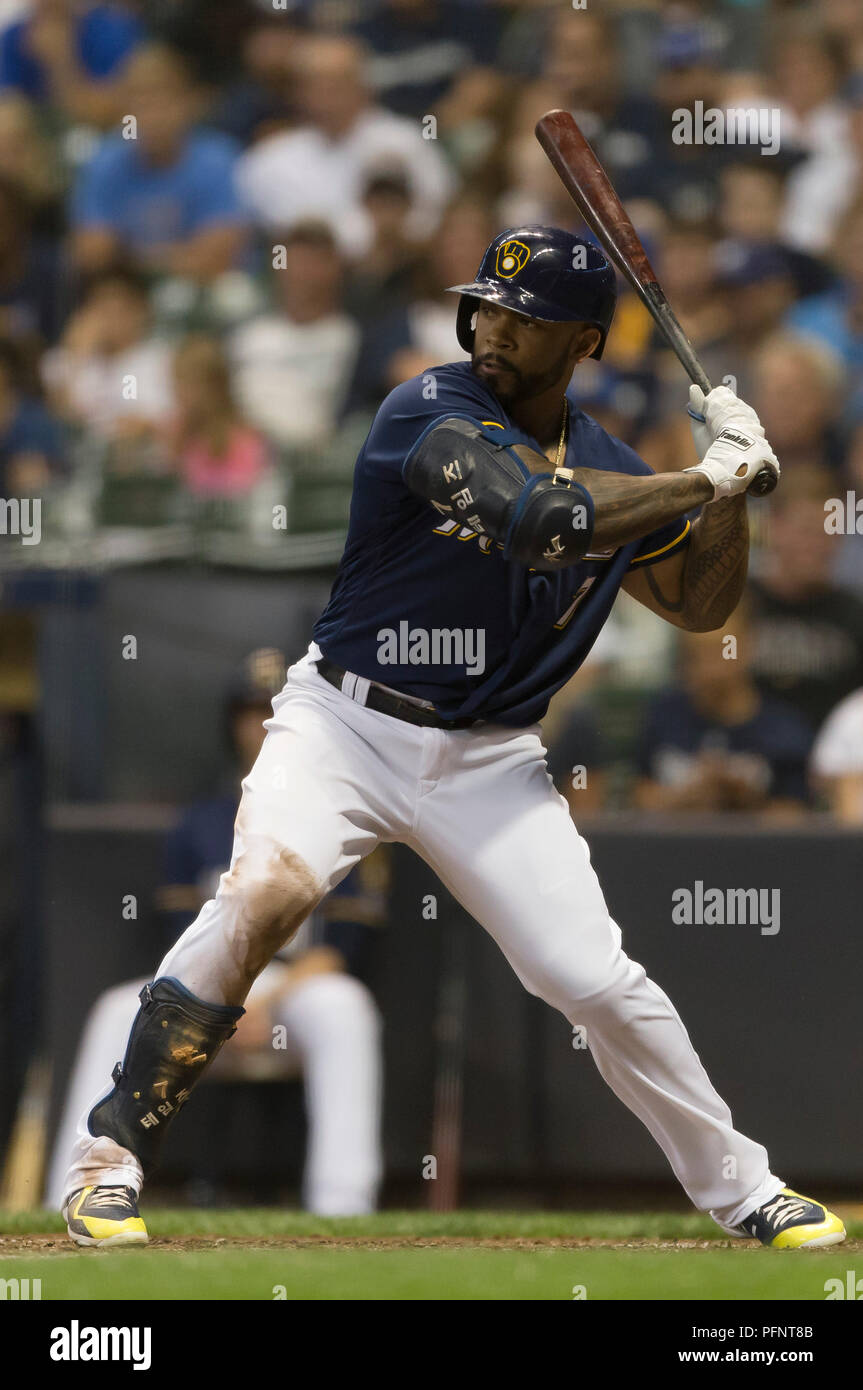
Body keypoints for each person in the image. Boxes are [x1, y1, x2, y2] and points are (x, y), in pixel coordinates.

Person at [59, 225, 843, 1253]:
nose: (493, 332)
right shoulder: (423, 409)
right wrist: (701, 480)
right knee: (259, 892)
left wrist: (730, 487)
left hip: (489, 759)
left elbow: (700, 604)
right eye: (488, 309)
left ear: (582, 343)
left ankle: (744, 1190)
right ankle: (106, 1165)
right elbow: (536, 517)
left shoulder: (609, 463)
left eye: (525, 321)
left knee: (592, 978)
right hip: (344, 720)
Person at [51, 650, 384, 1220]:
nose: (263, 725)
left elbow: (338, 951)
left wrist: (261, 999)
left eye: (275, 709)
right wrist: (223, 1002)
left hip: (293, 994)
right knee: (114, 1009)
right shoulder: (200, 823)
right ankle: (77, 1190)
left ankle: (342, 1206)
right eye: (251, 712)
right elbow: (184, 943)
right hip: (206, 994)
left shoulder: (343, 812)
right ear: (232, 723)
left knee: (345, 1008)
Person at [70, 43, 249, 282]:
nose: (152, 116)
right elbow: (91, 254)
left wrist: (126, 258)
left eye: (162, 101)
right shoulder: (103, 160)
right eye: (140, 103)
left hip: (205, 293)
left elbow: (217, 257)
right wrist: (178, 257)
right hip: (125, 294)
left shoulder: (218, 159)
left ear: (188, 103)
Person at [634, 608, 814, 818]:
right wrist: (685, 796)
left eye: (718, 651)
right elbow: (640, 798)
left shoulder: (785, 728)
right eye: (696, 655)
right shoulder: (664, 715)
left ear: (745, 650)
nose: (709, 667)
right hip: (675, 842)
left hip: (753, 846)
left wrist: (742, 800)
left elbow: (796, 815)